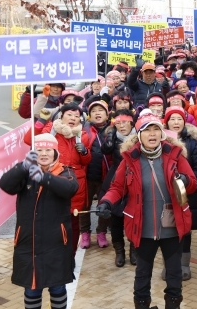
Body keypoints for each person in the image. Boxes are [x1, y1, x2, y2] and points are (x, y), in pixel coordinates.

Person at [98, 109, 197, 309]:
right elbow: (116, 188)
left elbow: (192, 182)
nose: (152, 134)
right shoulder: (130, 159)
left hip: (171, 226)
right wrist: (106, 202)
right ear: (139, 134)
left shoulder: (175, 155)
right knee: (142, 273)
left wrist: (183, 180)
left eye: (156, 130)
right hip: (142, 228)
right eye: (147, 130)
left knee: (173, 274)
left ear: (162, 133)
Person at [0, 134, 79, 309]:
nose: (43, 154)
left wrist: (42, 177)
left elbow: (70, 189)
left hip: (56, 242)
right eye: (39, 150)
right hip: (28, 241)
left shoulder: (65, 172)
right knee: (31, 288)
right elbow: (5, 184)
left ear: (55, 152)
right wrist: (22, 167)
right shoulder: (25, 173)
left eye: (48, 150)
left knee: (57, 286)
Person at [24, 103, 91, 258]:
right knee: (50, 220)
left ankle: (70, 257)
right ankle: (50, 255)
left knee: (73, 224)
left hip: (74, 183)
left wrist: (85, 152)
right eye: (69, 114)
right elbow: (29, 140)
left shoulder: (82, 135)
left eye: (76, 116)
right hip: (51, 180)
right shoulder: (50, 130)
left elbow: (85, 161)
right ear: (61, 115)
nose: (73, 118)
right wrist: (41, 121)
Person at [163, 106, 197, 280]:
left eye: (179, 119)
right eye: (172, 119)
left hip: (187, 194)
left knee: (185, 229)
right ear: (166, 122)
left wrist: (186, 182)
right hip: (166, 194)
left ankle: (184, 264)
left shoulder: (193, 142)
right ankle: (169, 265)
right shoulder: (161, 141)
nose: (176, 122)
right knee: (167, 230)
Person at [99, 109, 137, 267]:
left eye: (125, 122)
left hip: (135, 178)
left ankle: (134, 250)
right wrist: (109, 138)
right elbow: (104, 151)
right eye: (118, 122)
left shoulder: (139, 136)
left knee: (134, 218)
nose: (122, 125)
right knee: (115, 219)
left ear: (132, 122)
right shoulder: (112, 135)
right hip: (116, 177)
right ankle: (119, 251)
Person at [80, 96, 112, 249]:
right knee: (83, 206)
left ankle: (101, 232)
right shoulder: (83, 130)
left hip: (106, 176)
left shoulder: (113, 129)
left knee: (104, 205)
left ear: (107, 114)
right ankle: (85, 233)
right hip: (87, 175)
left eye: (101, 110)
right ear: (89, 115)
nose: (97, 113)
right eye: (94, 111)